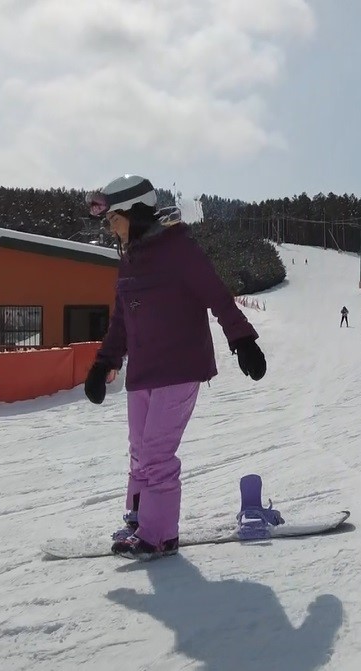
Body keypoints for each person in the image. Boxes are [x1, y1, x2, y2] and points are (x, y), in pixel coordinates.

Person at [82, 175, 267, 560]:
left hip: (180, 367)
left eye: (113, 217)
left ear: (132, 212)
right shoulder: (129, 259)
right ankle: (137, 520)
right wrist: (104, 363)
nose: (110, 227)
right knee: (138, 451)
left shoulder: (179, 248)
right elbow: (120, 320)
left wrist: (243, 340)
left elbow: (217, 295)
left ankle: (160, 534)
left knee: (156, 454)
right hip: (143, 371)